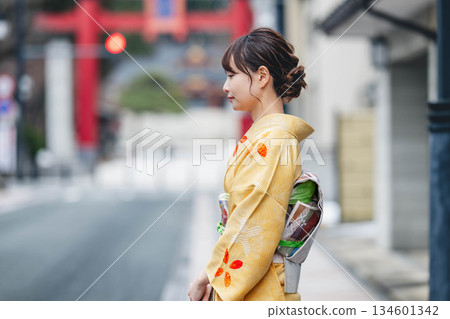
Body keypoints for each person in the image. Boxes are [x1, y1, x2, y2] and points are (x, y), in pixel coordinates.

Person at [188, 27, 315, 301]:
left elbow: (253, 224)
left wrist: (209, 276)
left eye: (232, 75)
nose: (225, 86)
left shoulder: (274, 140)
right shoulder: (266, 137)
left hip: (263, 287)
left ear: (261, 76)